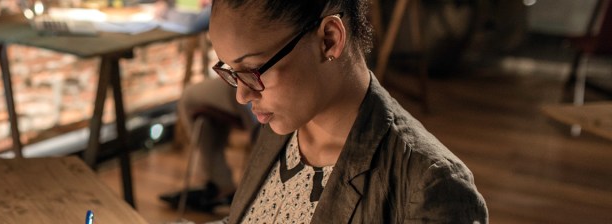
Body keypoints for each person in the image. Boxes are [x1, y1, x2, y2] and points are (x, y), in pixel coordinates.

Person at [206, 0, 489, 223]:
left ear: (329, 39)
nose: (242, 94)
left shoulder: (431, 185)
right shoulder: (283, 125)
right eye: (230, 70)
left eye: (253, 70)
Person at [159, 78, 256, 213]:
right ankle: (222, 187)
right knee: (209, 146)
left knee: (189, 98)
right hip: (198, 101)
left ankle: (221, 187)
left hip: (233, 93)